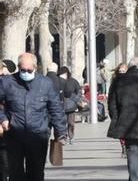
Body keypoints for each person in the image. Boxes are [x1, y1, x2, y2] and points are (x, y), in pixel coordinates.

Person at [0, 53, 69, 181]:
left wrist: (61, 132)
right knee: (15, 173)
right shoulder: (7, 82)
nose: (26, 73)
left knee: (36, 173)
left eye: (29, 70)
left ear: (35, 68)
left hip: (38, 135)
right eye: (23, 70)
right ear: (18, 67)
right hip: (14, 134)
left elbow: (55, 108)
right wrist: (2, 118)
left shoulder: (46, 83)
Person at [56, 66, 82, 143]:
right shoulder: (57, 81)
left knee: (71, 123)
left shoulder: (73, 81)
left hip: (71, 106)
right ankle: (64, 137)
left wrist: (76, 100)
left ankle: (71, 137)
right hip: (61, 105)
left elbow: (79, 91)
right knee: (62, 123)